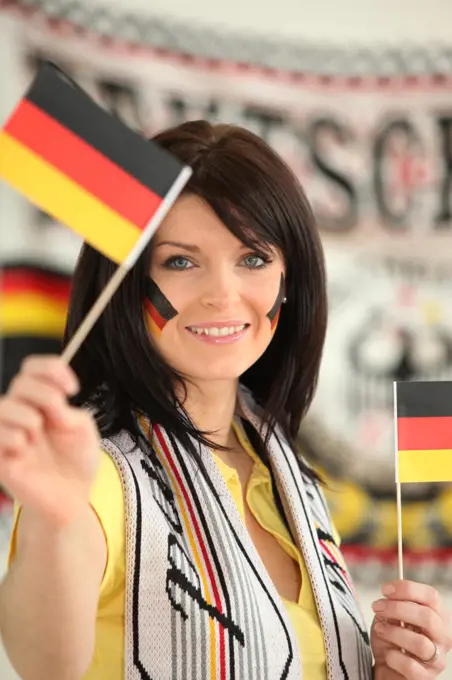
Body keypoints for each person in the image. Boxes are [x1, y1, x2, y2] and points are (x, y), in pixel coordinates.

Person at [0, 120, 450, 680]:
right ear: (128, 283)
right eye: (181, 261)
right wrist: (52, 520)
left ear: (291, 279)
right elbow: (42, 662)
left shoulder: (283, 466)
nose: (222, 294)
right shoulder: (95, 466)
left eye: (254, 259)